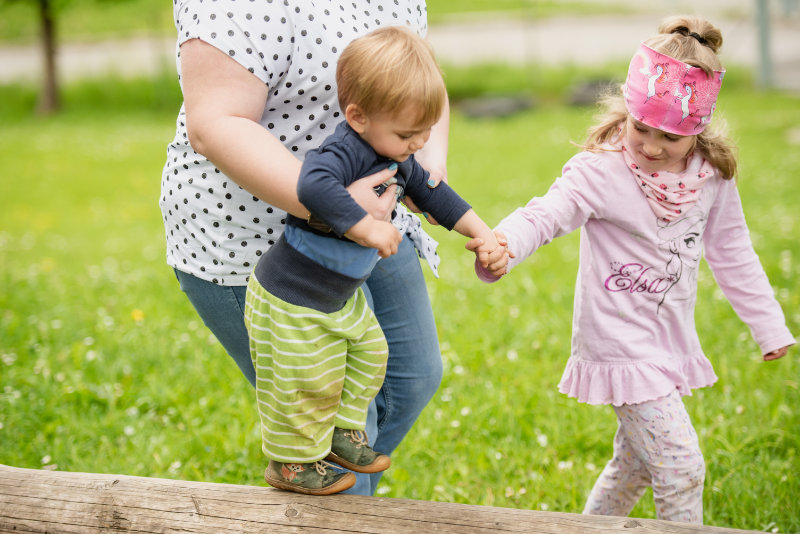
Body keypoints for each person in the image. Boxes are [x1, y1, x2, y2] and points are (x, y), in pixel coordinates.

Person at [470, 16, 794, 523]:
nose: (650, 146)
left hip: (666, 341)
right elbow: (547, 212)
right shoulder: (602, 170)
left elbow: (733, 250)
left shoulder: (711, 179)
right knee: (682, 467)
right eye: (640, 127)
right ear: (626, 109)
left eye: (670, 137)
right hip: (619, 343)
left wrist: (768, 324)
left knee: (635, 466)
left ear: (698, 128)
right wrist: (506, 244)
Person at [161, 1, 462, 496]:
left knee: (411, 377)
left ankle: (328, 473)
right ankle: (317, 480)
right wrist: (343, 210)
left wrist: (425, 162)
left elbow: (419, 74)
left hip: (372, 226)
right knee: (327, 427)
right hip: (258, 245)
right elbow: (217, 121)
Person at [244, 26, 504, 495]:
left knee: (372, 355)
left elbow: (434, 194)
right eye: (408, 134)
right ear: (358, 116)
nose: (416, 144)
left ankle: (343, 435)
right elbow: (312, 187)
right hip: (293, 300)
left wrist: (482, 232)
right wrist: (367, 227)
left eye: (424, 132)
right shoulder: (342, 152)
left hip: (335, 298)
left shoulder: (394, 153)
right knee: (306, 384)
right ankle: (290, 463)